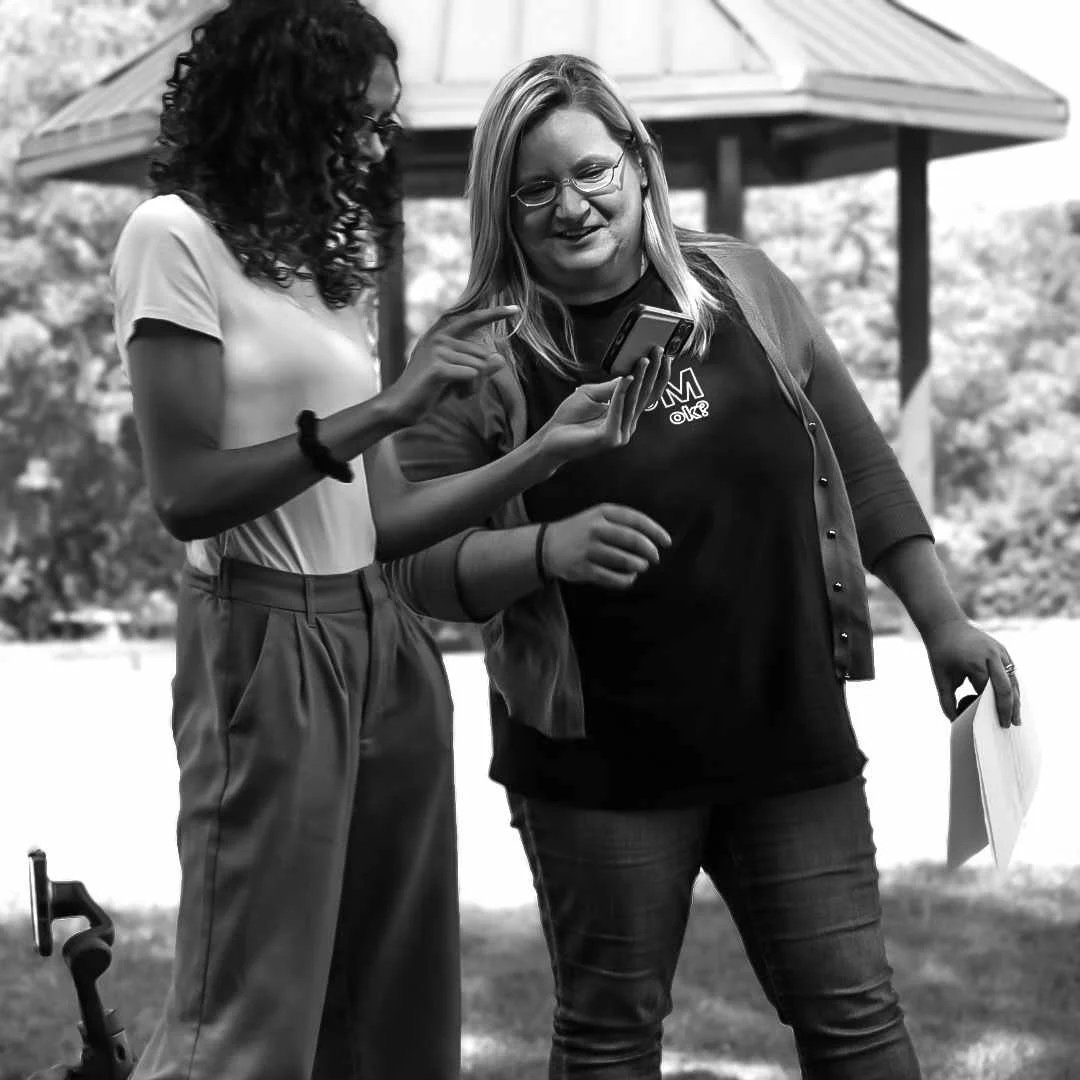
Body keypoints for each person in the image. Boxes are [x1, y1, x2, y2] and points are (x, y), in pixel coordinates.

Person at [386, 53, 1023, 1080]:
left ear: (639, 165)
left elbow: (860, 464)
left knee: (857, 1019)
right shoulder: (473, 355)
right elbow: (412, 564)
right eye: (535, 187)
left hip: (789, 734)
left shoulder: (743, 285)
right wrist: (547, 546)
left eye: (592, 170)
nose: (571, 205)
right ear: (501, 208)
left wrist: (942, 617)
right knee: (610, 1035)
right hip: (598, 768)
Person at [110, 9, 666, 1079]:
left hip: (384, 637)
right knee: (250, 1007)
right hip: (263, 637)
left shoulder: (332, 262)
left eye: (384, 119)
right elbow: (184, 496)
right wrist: (389, 408)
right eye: (359, 120)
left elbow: (375, 522)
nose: (378, 142)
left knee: (397, 999)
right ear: (285, 107)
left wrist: (541, 453)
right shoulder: (171, 236)